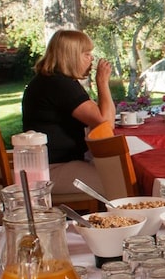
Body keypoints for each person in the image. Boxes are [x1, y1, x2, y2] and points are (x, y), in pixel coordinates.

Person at [22, 29, 115, 194]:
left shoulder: (52, 80)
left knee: (118, 172)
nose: (92, 58)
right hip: (51, 170)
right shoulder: (59, 84)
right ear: (71, 56)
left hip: (48, 165)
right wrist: (102, 82)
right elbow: (106, 123)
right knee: (119, 181)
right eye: (86, 54)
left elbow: (102, 119)